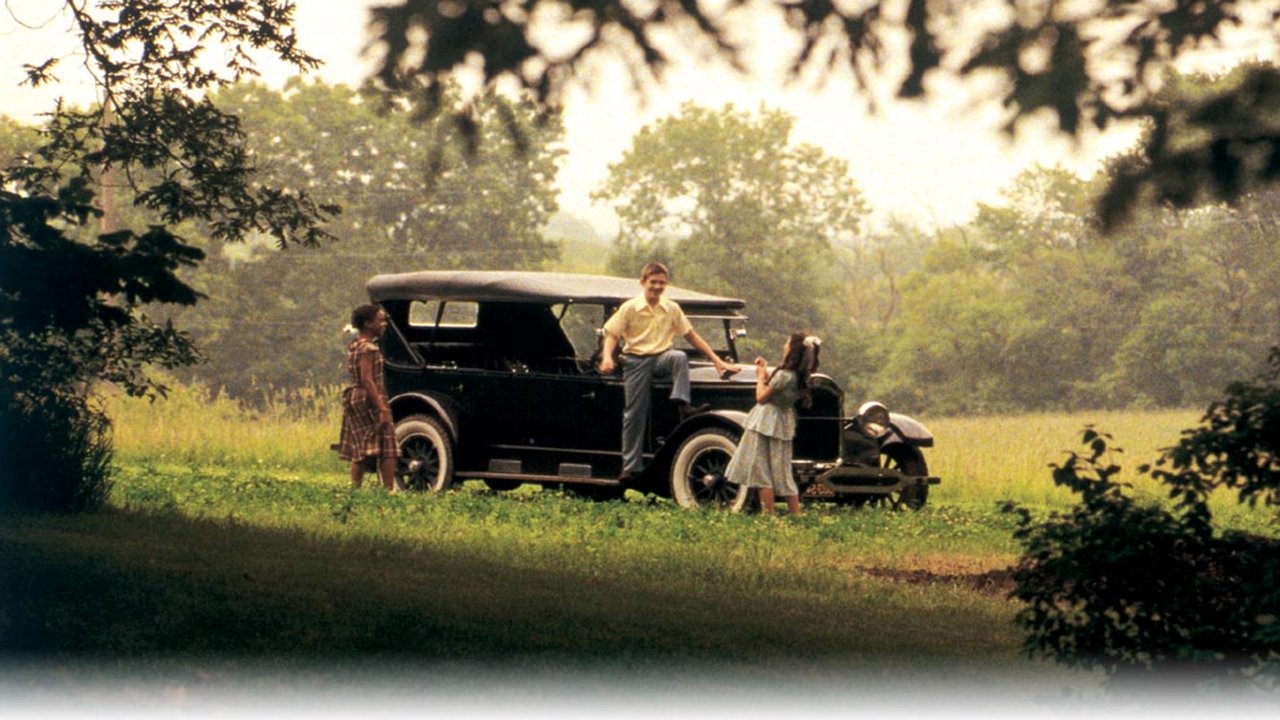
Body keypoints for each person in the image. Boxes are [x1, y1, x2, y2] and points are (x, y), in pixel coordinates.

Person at [599, 262, 740, 482]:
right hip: (636, 360)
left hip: (661, 358)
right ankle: (630, 466)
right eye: (653, 282)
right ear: (643, 282)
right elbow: (612, 335)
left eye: (662, 283)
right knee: (634, 413)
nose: (657, 287)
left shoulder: (671, 308)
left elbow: (691, 335)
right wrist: (607, 357)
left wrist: (717, 361)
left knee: (679, 356)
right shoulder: (629, 307)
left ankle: (684, 405)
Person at [724, 332, 821, 515]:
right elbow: (777, 389)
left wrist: (760, 376)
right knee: (782, 470)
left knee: (761, 471)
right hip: (783, 423)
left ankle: (768, 514)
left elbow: (761, 397)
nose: (785, 346)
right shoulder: (799, 377)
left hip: (764, 422)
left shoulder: (783, 375)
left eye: (787, 343)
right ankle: (795, 514)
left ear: (793, 351)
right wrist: (766, 371)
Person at [337, 304, 403, 492]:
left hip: (355, 395)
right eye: (380, 320)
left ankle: (355, 489)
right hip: (369, 396)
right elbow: (367, 380)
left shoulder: (355, 345)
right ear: (367, 323)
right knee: (388, 446)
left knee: (361, 445)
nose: (384, 324)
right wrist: (381, 407)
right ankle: (386, 490)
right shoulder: (369, 349)